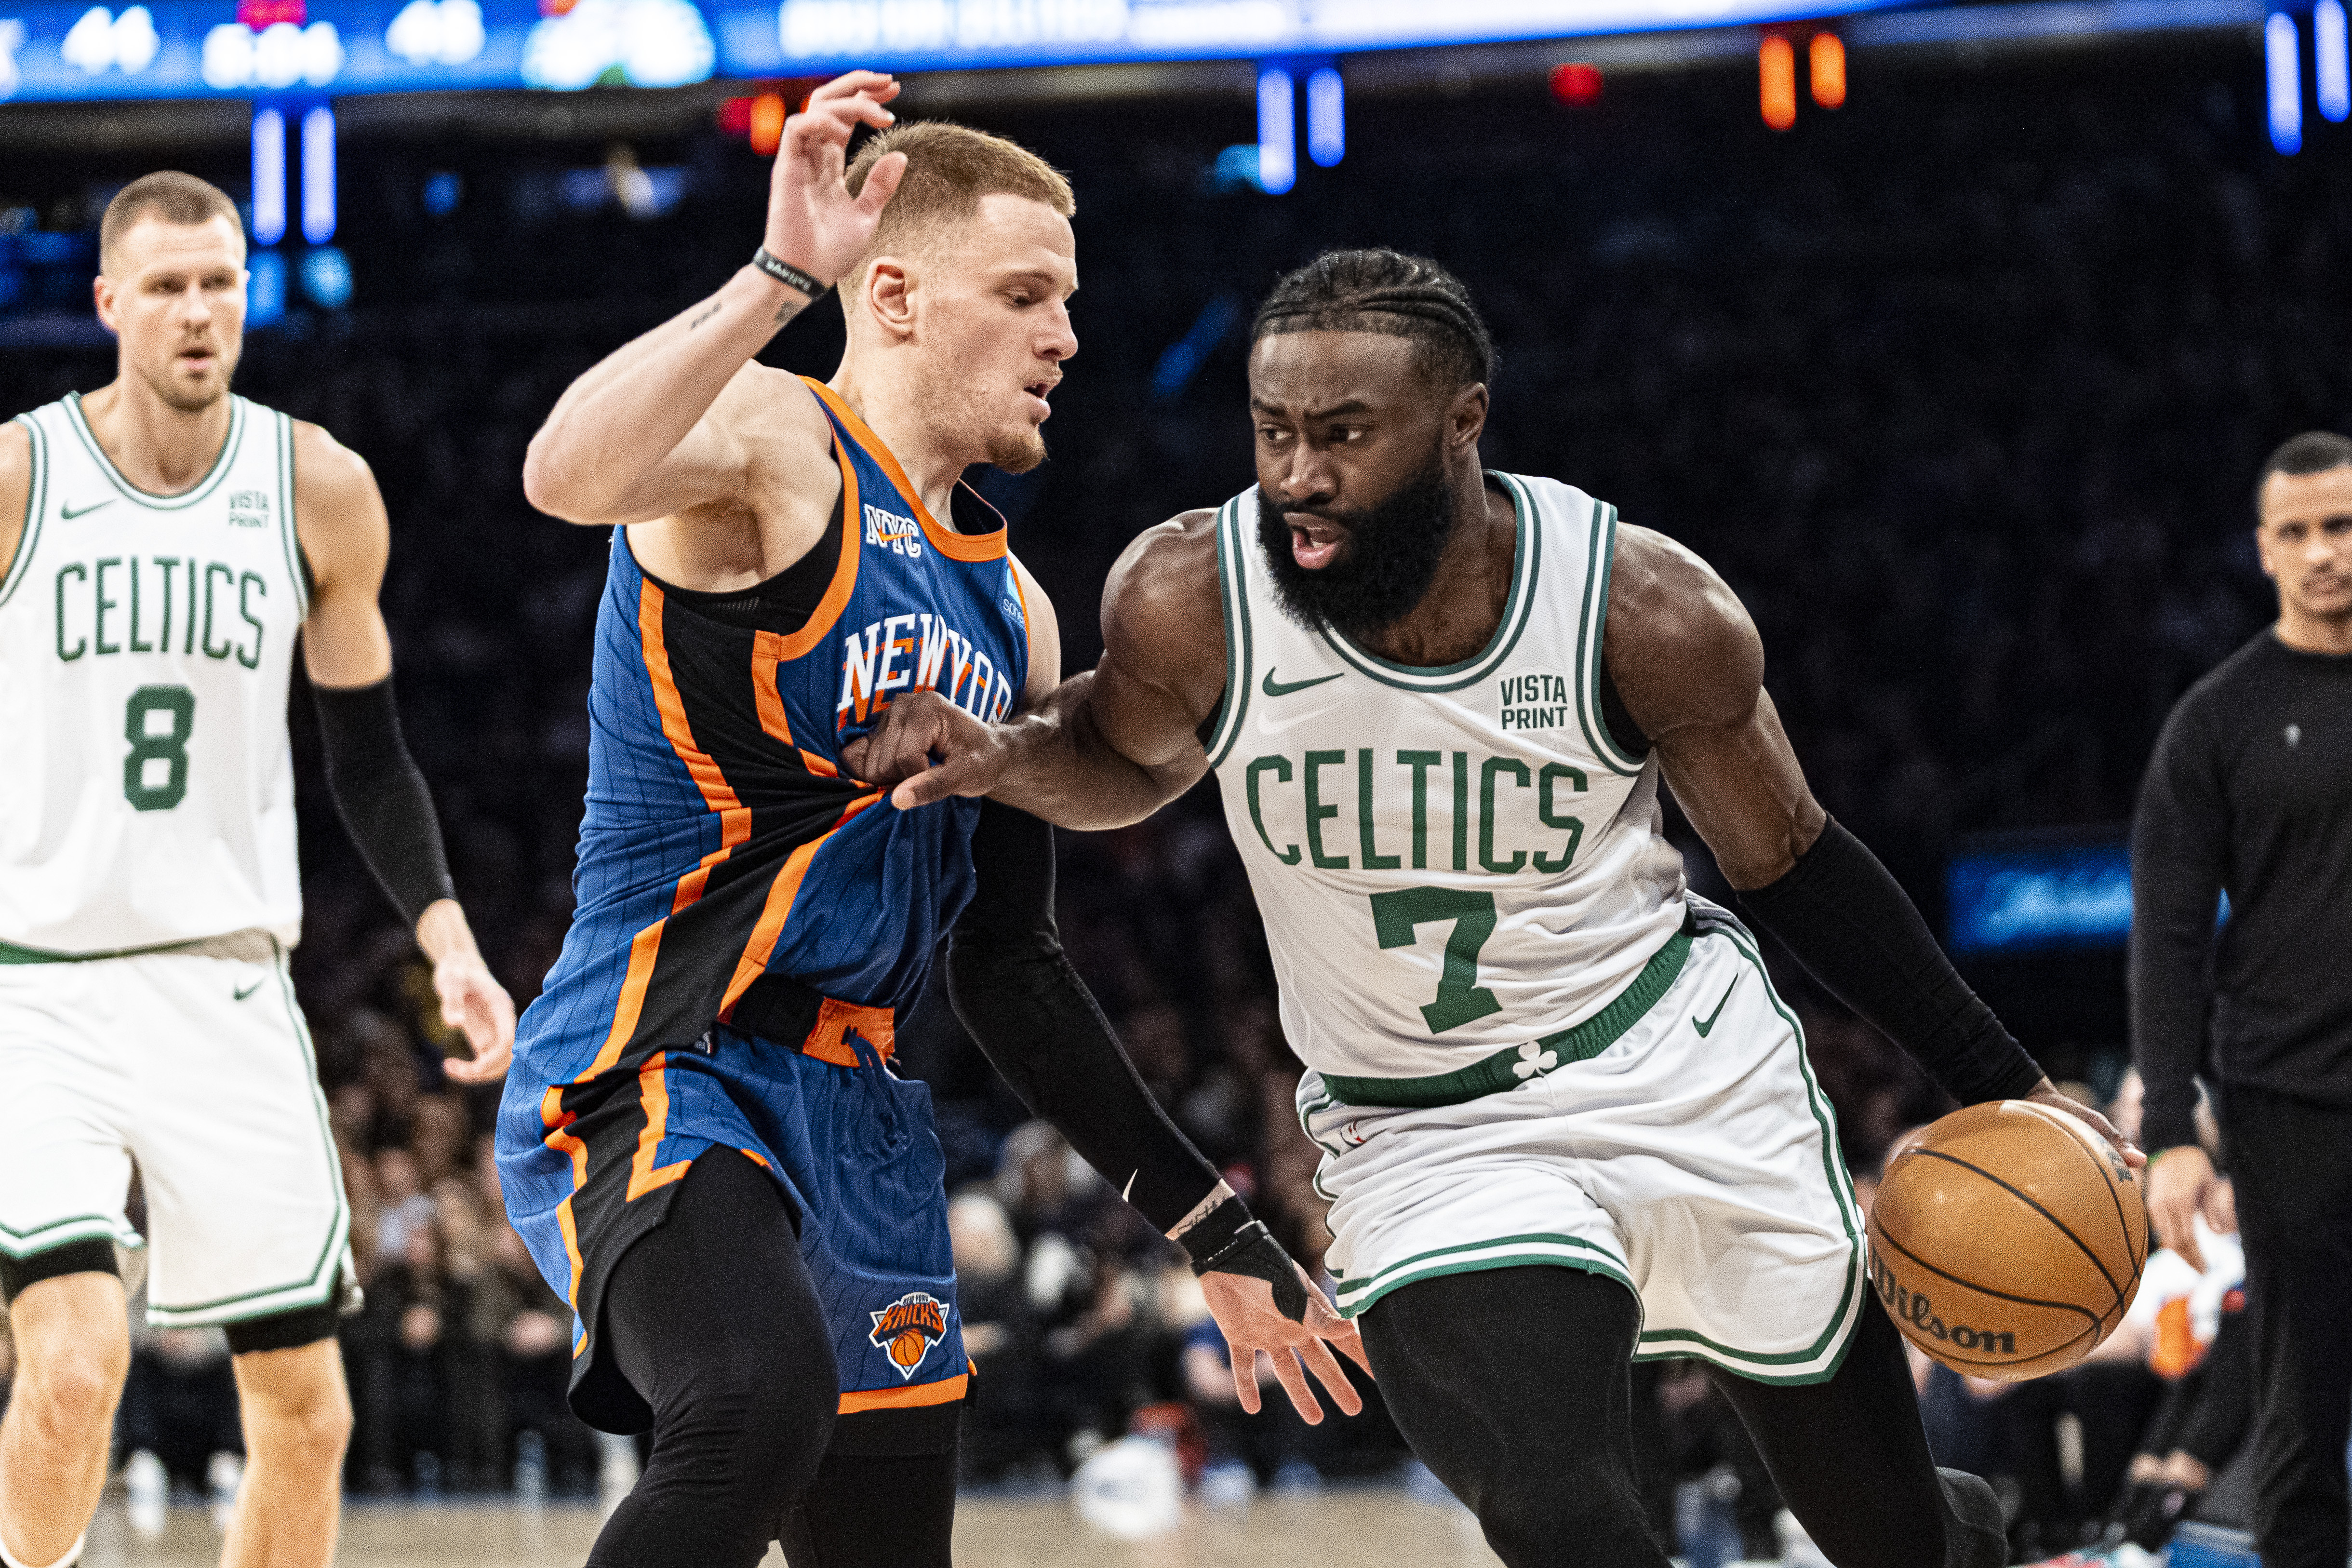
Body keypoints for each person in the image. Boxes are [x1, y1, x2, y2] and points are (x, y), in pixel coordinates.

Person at [848, 248, 2144, 1568]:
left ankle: (1962, 1528)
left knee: (1899, 1540)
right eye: (1275, 431)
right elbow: (1121, 759)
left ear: (1463, 418)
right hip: (1429, 1126)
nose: (1298, 473)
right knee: (1562, 1510)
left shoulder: (1643, 608)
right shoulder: (1195, 593)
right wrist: (1013, 752)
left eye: (1345, 433)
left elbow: (1789, 859)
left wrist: (2009, 1077)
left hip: (1677, 1066)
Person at [496, 73, 1362, 1568]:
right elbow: (564, 473)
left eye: (1068, 301)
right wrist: (778, 278)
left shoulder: (1012, 611)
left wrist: (1213, 1229)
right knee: (755, 1403)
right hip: (665, 1057)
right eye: (1025, 295)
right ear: (890, 292)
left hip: (868, 1116)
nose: (1066, 337)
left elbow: (1010, 964)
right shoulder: (776, 446)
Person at [0, 171, 514, 1568]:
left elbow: (371, 756)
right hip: (36, 989)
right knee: (72, 1363)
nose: (196, 311)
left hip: (227, 985)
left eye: (218, 282)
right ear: (106, 302)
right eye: (164, 285)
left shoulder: (320, 488)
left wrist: (449, 937)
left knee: (307, 1411)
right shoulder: (19, 475)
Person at [2130, 429, 2352, 1568]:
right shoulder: (2218, 720)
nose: (2325, 553)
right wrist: (2171, 1129)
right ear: (2264, 549)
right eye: (2299, 532)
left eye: (2343, 526)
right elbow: (2166, 939)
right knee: (2301, 1412)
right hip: (2288, 1104)